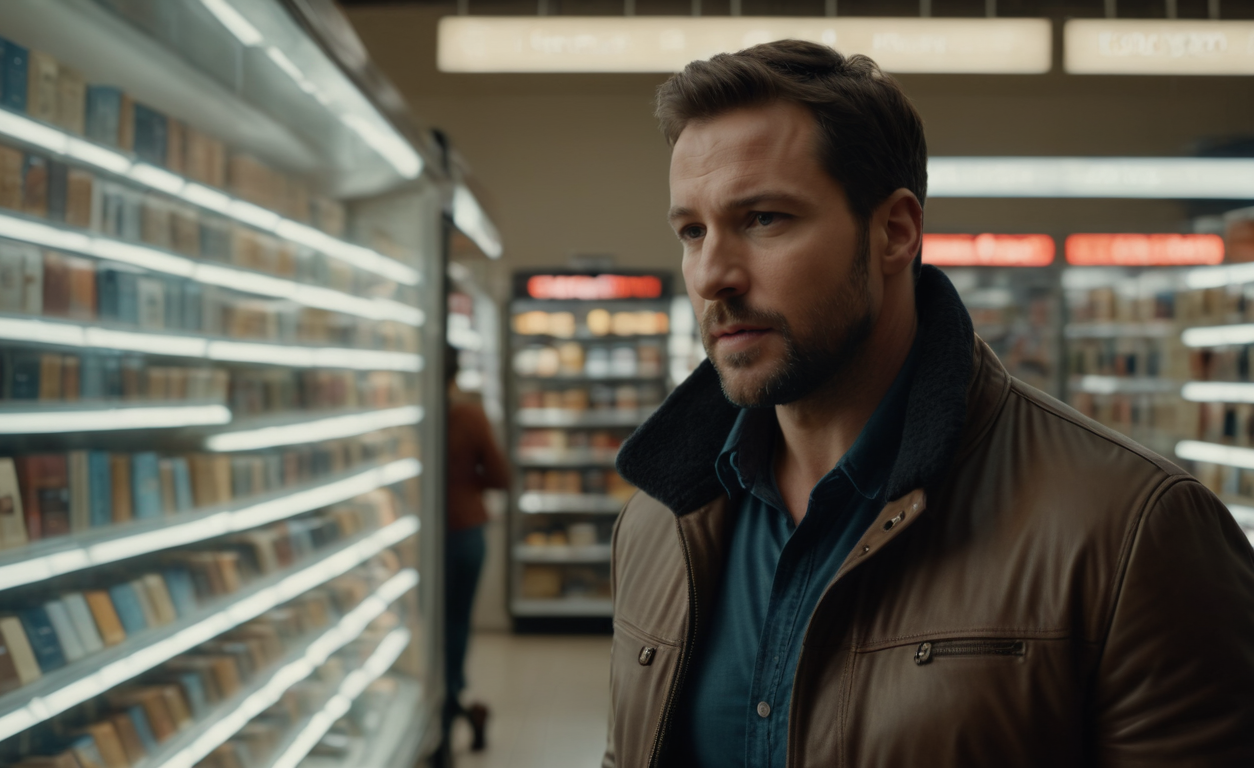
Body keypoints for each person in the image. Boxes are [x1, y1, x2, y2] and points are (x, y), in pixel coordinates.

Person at [603, 40, 1254, 767]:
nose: (712, 275)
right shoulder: (659, 522)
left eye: (763, 219)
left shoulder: (1132, 530)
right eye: (692, 230)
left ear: (896, 231)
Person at [443, 346, 508, 753]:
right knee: (456, 623)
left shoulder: (410, 412)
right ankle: (451, 693)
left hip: (417, 539)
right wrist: (465, 485)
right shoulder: (467, 414)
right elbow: (501, 475)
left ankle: (442, 700)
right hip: (465, 530)